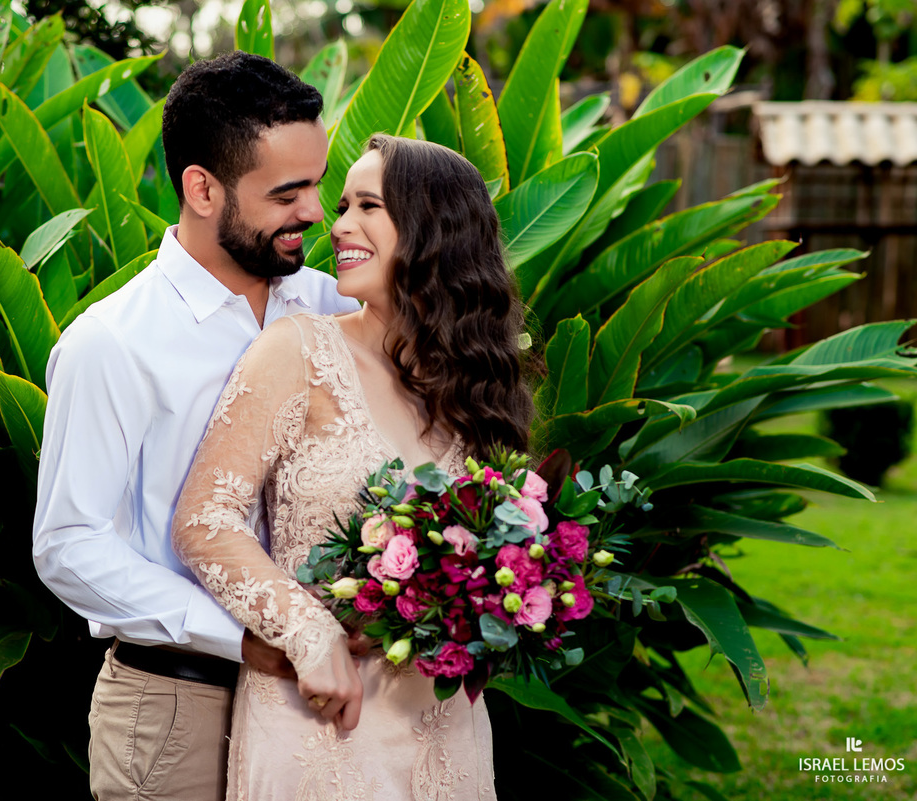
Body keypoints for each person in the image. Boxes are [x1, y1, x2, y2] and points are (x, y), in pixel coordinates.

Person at [32, 51, 359, 801]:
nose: (315, 211)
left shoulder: (336, 308)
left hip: (329, 707)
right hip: (179, 708)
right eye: (288, 192)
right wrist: (244, 636)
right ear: (202, 188)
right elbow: (67, 545)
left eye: (317, 183)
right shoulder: (112, 342)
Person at [171, 134, 538, 799]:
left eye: (368, 205)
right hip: (316, 721)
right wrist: (310, 634)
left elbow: (493, 563)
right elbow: (205, 520)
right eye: (342, 205)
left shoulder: (480, 391)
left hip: (444, 726)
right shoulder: (298, 353)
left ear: (436, 230)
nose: (338, 225)